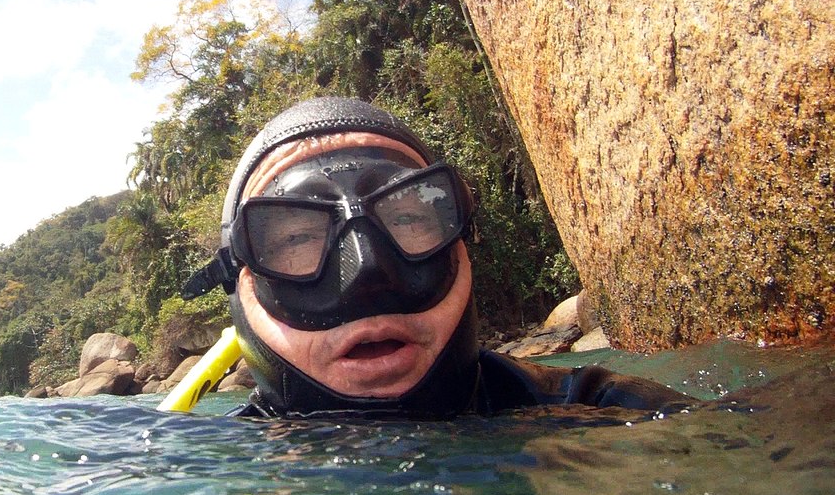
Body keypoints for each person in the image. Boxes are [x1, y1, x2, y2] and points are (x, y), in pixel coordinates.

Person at [181, 97, 693, 419]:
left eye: (407, 221)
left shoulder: (604, 411)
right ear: (240, 281)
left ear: (461, 239)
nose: (369, 273)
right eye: (297, 240)